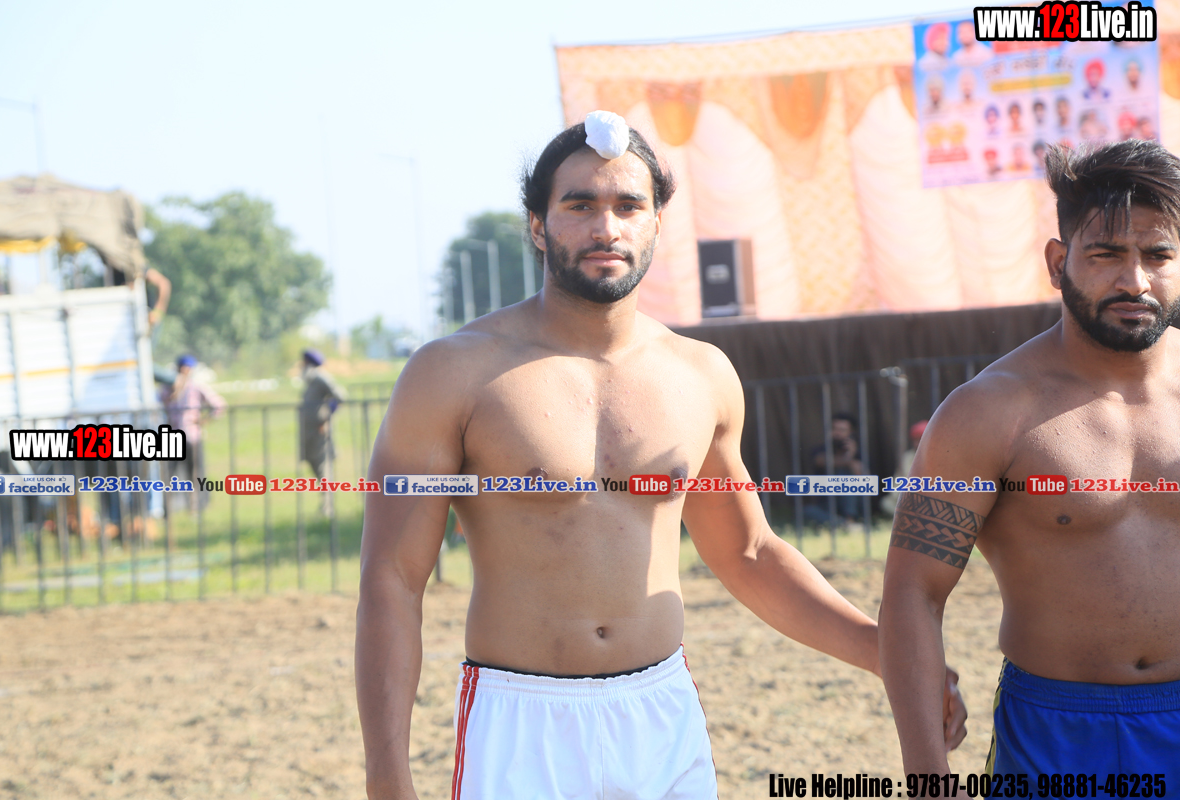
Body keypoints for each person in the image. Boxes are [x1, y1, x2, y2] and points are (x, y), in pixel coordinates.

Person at [356, 112, 967, 800]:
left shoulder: (701, 374)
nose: (606, 228)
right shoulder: (452, 372)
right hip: (523, 721)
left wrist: (891, 656)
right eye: (579, 205)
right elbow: (393, 578)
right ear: (538, 225)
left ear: (655, 224)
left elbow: (749, 553)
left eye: (628, 206)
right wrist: (387, 775)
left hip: (660, 712)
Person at [880, 139, 1180, 775]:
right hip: (1057, 733)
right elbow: (913, 593)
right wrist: (928, 779)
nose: (1134, 281)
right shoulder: (989, 411)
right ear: (1057, 261)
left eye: (1158, 255)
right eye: (1106, 254)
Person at [164, 354, 225, 512]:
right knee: (170, 473)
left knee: (196, 472)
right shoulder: (167, 388)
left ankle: (199, 505)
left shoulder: (196, 387)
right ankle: (168, 508)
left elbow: (218, 405)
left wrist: (203, 420)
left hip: (192, 436)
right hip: (172, 438)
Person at [298, 348, 347, 514]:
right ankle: (325, 504)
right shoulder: (311, 380)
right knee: (313, 464)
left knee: (323, 466)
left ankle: (328, 507)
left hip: (320, 431)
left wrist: (326, 417)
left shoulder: (320, 377)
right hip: (309, 431)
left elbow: (340, 396)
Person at [805, 412, 866, 525]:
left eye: (842, 430)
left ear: (851, 433)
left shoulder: (861, 452)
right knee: (808, 511)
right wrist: (849, 460)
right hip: (827, 505)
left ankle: (849, 519)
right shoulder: (820, 450)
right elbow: (821, 461)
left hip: (854, 504)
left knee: (845, 474)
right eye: (834, 429)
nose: (837, 433)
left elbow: (866, 482)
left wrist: (851, 456)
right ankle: (846, 524)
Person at [880, 420, 928, 517]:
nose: (918, 443)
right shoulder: (907, 457)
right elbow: (897, 484)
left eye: (921, 439)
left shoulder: (938, 456)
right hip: (908, 499)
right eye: (915, 440)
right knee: (886, 503)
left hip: (929, 499)